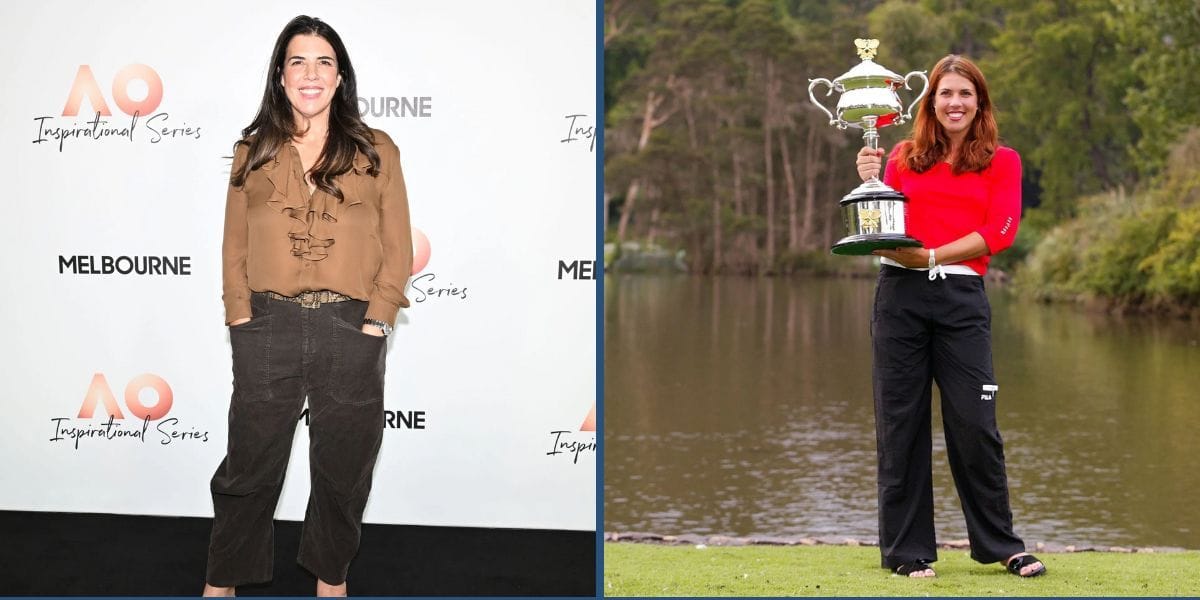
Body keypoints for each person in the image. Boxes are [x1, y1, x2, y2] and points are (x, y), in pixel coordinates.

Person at [203, 15, 413, 597]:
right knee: (249, 463)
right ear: (280, 74)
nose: (311, 73)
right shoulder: (254, 150)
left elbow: (398, 244)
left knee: (344, 467)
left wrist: (378, 319)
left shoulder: (378, 150)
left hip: (351, 324)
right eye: (298, 61)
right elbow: (233, 244)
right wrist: (239, 316)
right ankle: (222, 580)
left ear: (340, 76)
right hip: (267, 322)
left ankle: (331, 581)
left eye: (324, 61)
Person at [854, 54, 1045, 579]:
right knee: (901, 426)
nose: (955, 103)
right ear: (930, 102)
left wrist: (935, 256)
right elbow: (879, 232)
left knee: (975, 424)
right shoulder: (902, 156)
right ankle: (907, 553)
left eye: (965, 93)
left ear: (979, 102)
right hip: (900, 299)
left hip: (962, 301)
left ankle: (1002, 545)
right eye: (946, 94)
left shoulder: (1002, 160)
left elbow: (1001, 230)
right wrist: (869, 182)